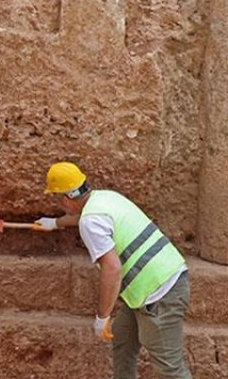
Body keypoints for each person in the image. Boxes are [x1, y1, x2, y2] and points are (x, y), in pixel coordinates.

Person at [36, 161, 192, 379]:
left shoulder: (91, 221)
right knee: (123, 337)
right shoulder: (105, 198)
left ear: (64, 198)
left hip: (159, 294)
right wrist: (55, 223)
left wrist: (102, 316)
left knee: (170, 369)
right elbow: (85, 217)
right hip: (162, 280)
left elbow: (111, 269)